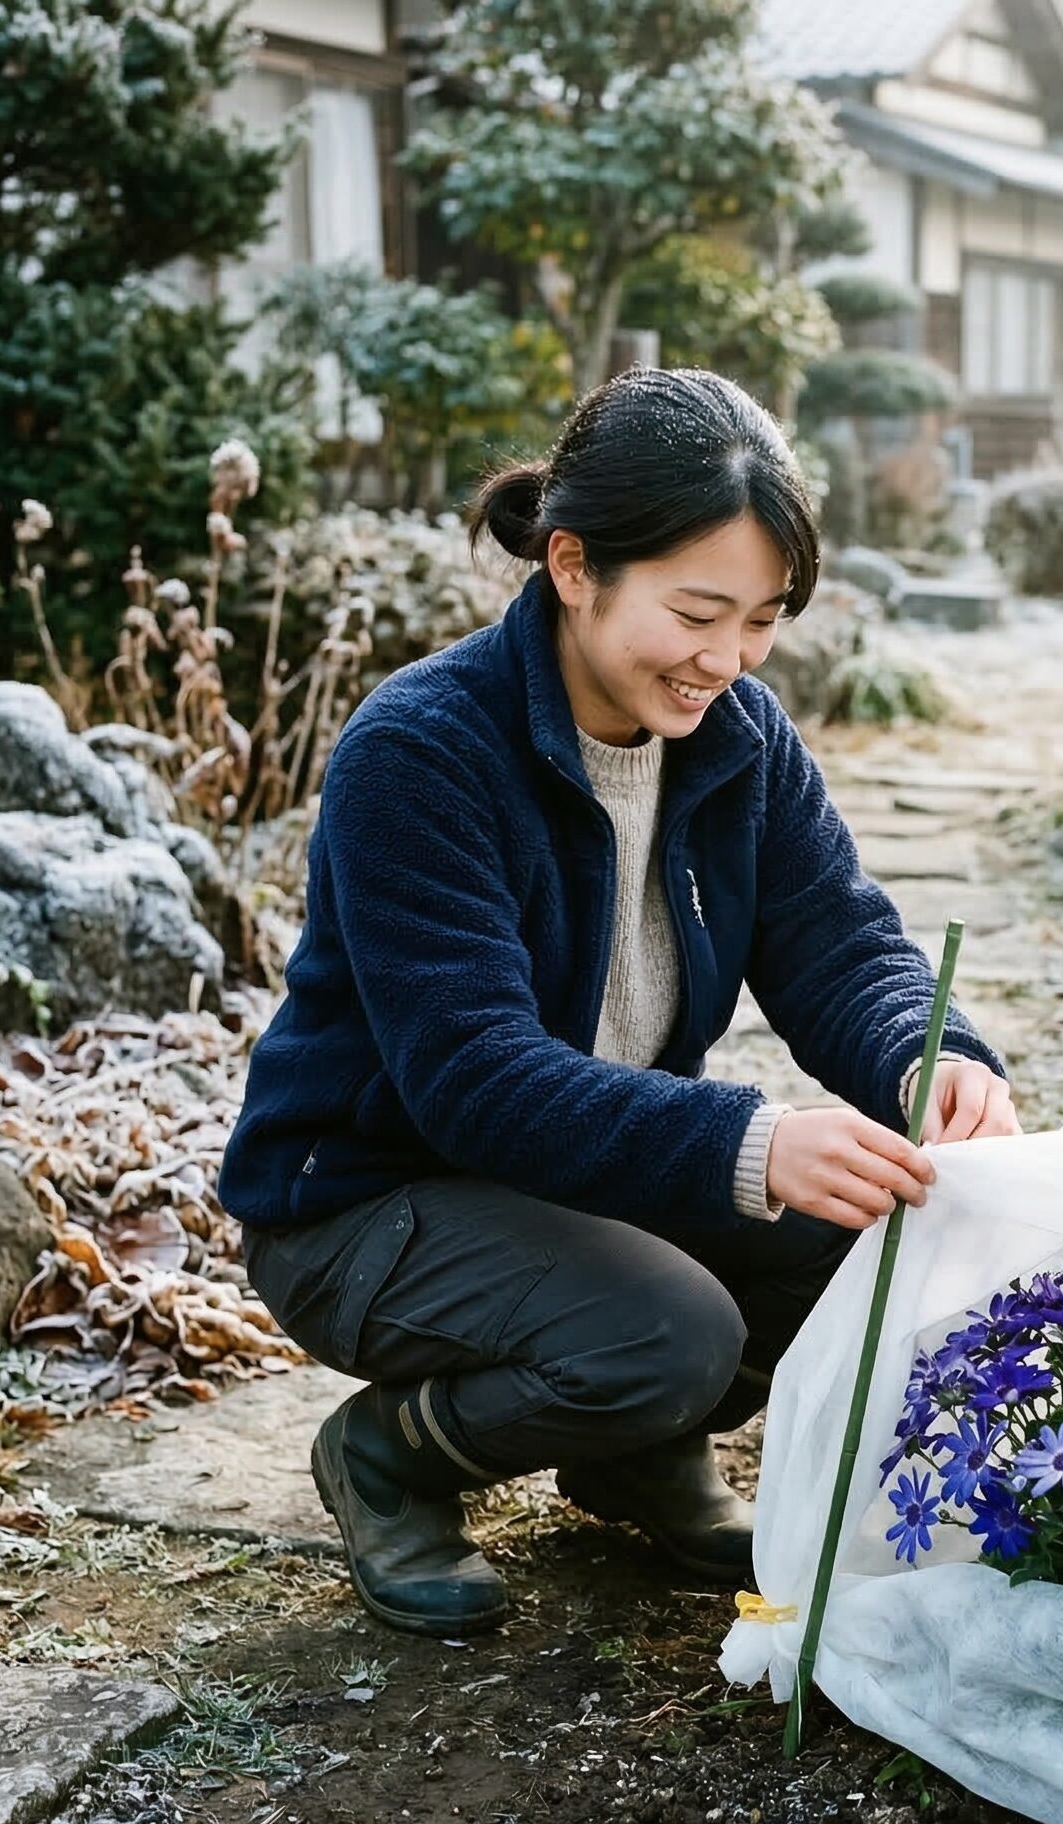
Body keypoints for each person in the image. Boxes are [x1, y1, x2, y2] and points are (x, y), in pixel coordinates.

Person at [218, 368, 1017, 1638]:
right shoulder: (421, 749)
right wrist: (752, 1143)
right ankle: (392, 1455)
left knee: (873, 1220)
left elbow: (838, 942)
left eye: (763, 618)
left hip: (567, 1176)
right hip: (366, 1198)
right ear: (573, 564)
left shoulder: (738, 738)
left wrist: (931, 1059)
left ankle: (633, 1455)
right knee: (671, 1327)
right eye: (697, 611)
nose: (728, 658)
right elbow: (472, 1074)